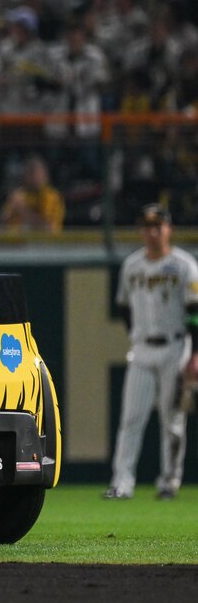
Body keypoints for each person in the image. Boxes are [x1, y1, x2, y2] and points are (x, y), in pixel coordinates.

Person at [106, 205, 198, 501]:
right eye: (147, 226)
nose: (152, 231)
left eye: (158, 225)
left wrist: (195, 355)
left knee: (172, 420)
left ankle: (169, 482)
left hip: (175, 346)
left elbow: (195, 313)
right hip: (143, 349)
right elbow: (123, 306)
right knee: (131, 419)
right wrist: (136, 334)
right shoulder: (132, 266)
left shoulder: (185, 265)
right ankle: (122, 483)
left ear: (169, 229)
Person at [0, 155, 65, 233]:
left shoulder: (52, 196)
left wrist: (22, 209)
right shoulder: (19, 195)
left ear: (45, 174)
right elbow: (1, 225)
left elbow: (47, 228)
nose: (32, 177)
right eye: (28, 172)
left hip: (44, 242)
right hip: (16, 242)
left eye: (35, 172)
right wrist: (6, 215)